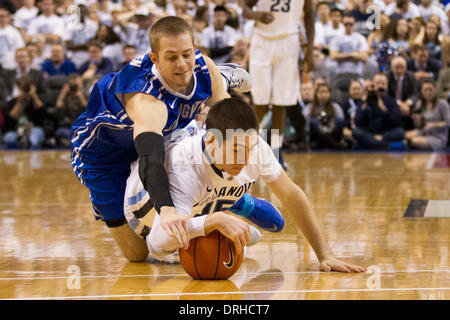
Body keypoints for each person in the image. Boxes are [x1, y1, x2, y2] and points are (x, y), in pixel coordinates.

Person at [70, 16, 266, 262]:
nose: (182, 64)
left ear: (195, 49)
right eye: (172, 57)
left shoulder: (201, 65)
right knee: (137, 254)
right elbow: (150, 159)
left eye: (187, 54)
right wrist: (167, 211)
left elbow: (232, 122)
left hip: (167, 132)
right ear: (155, 58)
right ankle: (217, 87)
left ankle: (221, 81)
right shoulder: (146, 101)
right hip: (103, 155)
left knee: (215, 131)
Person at [124, 97, 367, 273]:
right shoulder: (184, 165)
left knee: (257, 232)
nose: (245, 160)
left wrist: (324, 255)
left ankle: (227, 200)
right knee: (230, 238)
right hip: (142, 212)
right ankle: (231, 203)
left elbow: (291, 194)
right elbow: (156, 243)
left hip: (201, 195)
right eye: (237, 152)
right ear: (211, 142)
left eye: (249, 150)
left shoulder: (253, 146)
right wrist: (215, 221)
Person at [242, 0, 315, 170]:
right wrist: (256, 15)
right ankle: (243, 148)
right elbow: (244, 7)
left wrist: (309, 50)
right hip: (262, 40)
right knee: (259, 103)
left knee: (280, 103)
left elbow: (310, 15)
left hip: (289, 41)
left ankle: (274, 154)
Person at [351, 73, 406, 150]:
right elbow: (358, 122)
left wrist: (384, 109)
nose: (380, 86)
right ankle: (386, 146)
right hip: (369, 132)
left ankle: (373, 144)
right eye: (378, 83)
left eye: (383, 84)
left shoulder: (391, 101)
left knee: (400, 132)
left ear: (387, 86)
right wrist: (364, 107)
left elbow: (397, 121)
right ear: (373, 85)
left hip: (386, 132)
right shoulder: (365, 100)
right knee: (356, 131)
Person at [406, 78, 450, 150]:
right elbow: (419, 125)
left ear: (435, 90)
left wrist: (434, 124)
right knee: (406, 135)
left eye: (430, 89)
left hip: (438, 136)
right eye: (425, 90)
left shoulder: (442, 103)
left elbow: (448, 122)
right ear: (422, 91)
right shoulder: (420, 103)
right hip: (423, 132)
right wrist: (416, 119)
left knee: (414, 140)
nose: (428, 92)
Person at [304, 84, 347, 150]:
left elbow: (341, 123)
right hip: (317, 136)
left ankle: (330, 142)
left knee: (339, 121)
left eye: (326, 92)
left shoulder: (336, 107)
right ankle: (334, 144)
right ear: (316, 94)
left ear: (330, 93)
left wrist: (327, 131)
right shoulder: (309, 108)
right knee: (313, 122)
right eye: (321, 92)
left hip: (332, 133)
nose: (323, 94)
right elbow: (305, 125)